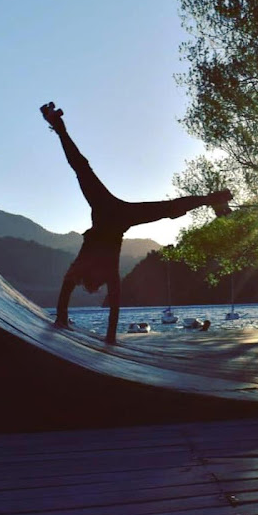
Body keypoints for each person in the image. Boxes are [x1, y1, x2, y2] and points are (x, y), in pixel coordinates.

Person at [39, 102, 232, 344]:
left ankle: (212, 199)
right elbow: (82, 291)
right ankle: (212, 199)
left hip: (115, 212)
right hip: (115, 212)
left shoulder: (100, 268)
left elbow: (110, 302)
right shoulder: (90, 266)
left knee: (164, 208)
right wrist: (96, 331)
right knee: (85, 169)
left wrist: (74, 323)